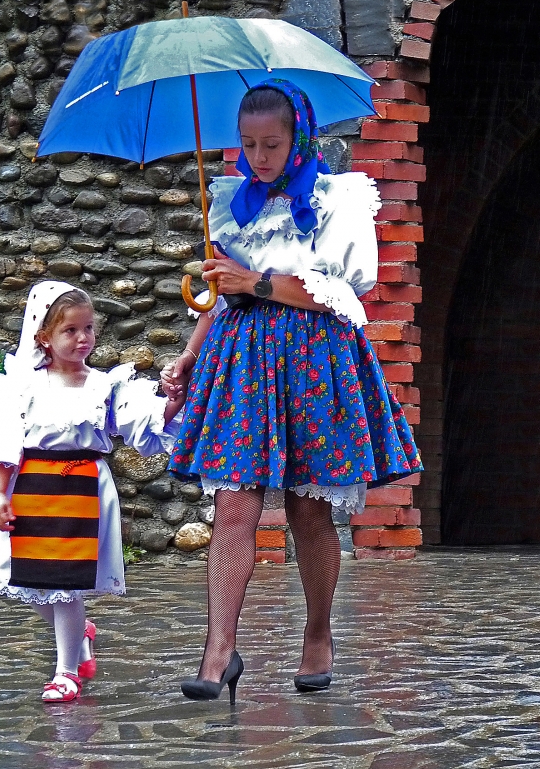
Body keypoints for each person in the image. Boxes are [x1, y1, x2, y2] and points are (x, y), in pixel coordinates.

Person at [162, 79, 422, 703]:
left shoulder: (340, 200)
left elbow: (339, 294)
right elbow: (222, 295)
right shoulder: (230, 205)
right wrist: (190, 356)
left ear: (298, 137)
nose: (258, 156)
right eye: (249, 144)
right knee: (233, 507)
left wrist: (256, 280)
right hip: (242, 363)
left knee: (310, 511)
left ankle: (319, 631)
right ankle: (218, 647)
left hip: (315, 360)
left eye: (271, 143)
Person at [0, 281, 184, 703]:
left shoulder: (104, 387)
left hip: (83, 489)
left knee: (65, 584)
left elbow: (146, 427)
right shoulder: (22, 387)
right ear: (43, 337)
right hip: (31, 488)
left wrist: (175, 400)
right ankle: (79, 633)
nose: (82, 338)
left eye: (88, 329)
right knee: (29, 580)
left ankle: (66, 671)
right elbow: (2, 443)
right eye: (70, 330)